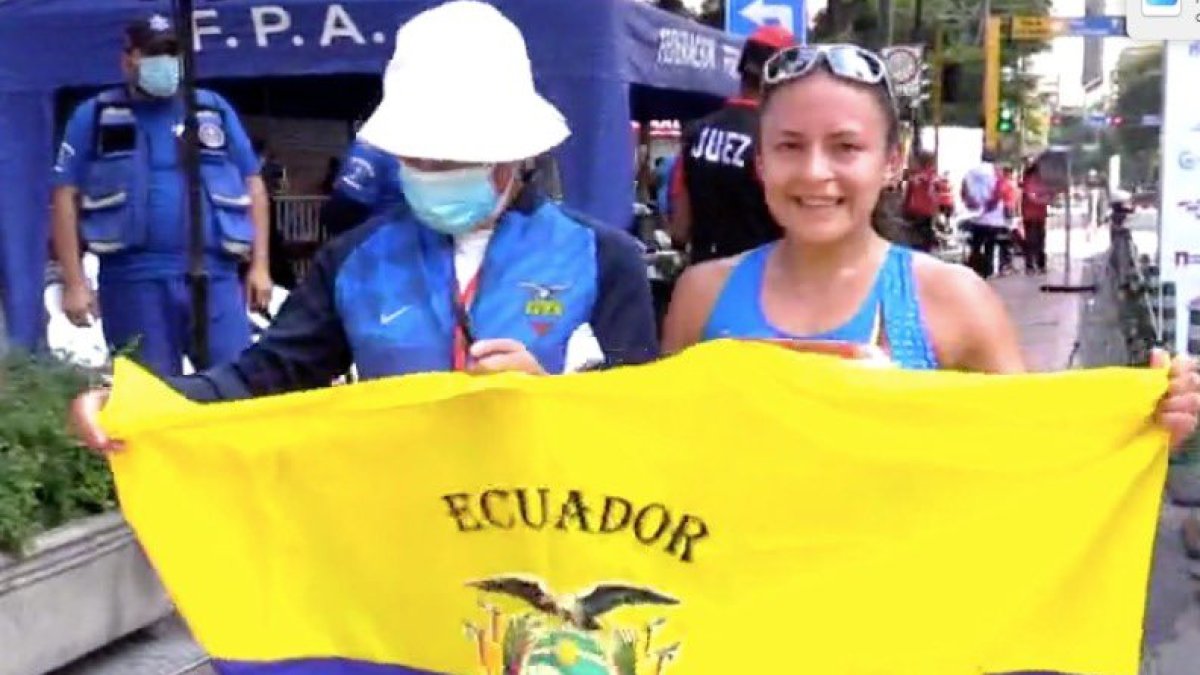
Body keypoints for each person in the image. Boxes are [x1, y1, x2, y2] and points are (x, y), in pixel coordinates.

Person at [71, 0, 658, 449]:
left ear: (513, 154)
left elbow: (640, 420)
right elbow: (264, 376)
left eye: (452, 159)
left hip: (543, 541)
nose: (430, 172)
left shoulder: (602, 257)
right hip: (390, 534)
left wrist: (552, 400)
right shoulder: (356, 260)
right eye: (416, 158)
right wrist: (137, 401)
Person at [658, 44, 1200, 448]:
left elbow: (1033, 453)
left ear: (892, 162)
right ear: (761, 163)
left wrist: (1145, 429)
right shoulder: (703, 295)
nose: (815, 172)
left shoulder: (951, 299)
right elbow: (659, 457)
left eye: (846, 147)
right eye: (789, 147)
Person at [51, 14, 271, 378]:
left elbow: (254, 185)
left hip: (215, 276)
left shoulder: (212, 110)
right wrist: (74, 282)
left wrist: (260, 266)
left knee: (235, 385)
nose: (165, 63)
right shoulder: (95, 116)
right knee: (151, 390)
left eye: (172, 54)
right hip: (133, 279)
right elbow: (64, 197)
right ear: (128, 60)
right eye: (153, 54)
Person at [668, 25, 795, 264]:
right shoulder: (778, 140)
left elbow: (679, 230)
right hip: (763, 277)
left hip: (704, 276)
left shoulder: (696, 132)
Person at [959, 150, 1008, 279]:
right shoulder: (996, 173)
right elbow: (999, 192)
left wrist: (972, 205)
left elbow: (964, 191)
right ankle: (987, 270)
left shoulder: (970, 172)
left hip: (975, 217)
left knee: (976, 245)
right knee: (989, 246)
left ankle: (974, 269)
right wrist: (987, 208)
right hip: (993, 218)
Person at [1019, 160, 1053, 275]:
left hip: (1034, 214)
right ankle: (1036, 265)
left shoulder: (1034, 180)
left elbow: (1048, 195)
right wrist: (1043, 199)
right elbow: (1032, 196)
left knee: (1035, 240)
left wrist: (1043, 199)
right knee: (1036, 240)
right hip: (1034, 215)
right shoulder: (1032, 180)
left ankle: (1034, 265)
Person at [900, 151, 938, 253]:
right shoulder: (931, 176)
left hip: (913, 210)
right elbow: (934, 195)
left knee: (914, 235)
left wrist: (905, 208)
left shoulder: (914, 176)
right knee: (924, 237)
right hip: (926, 211)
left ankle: (916, 251)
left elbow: (908, 194)